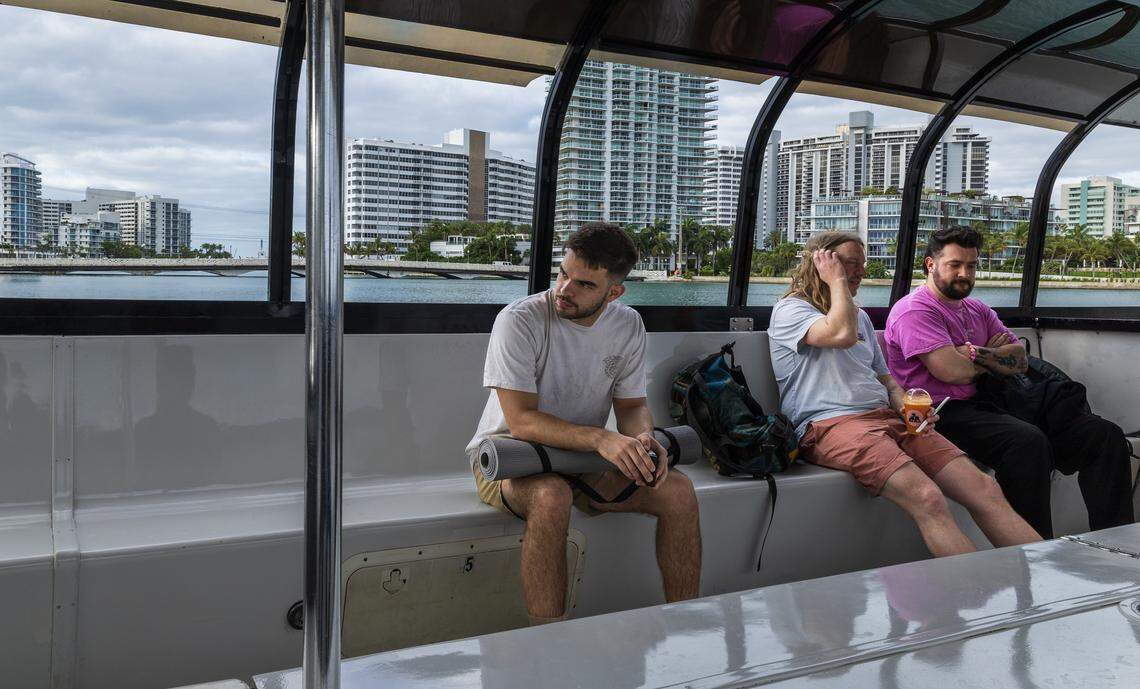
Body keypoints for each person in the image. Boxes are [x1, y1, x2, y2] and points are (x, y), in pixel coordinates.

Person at [465, 222, 701, 625]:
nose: (564, 290)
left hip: (583, 461)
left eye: (583, 285)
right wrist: (601, 439)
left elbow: (630, 407)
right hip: (508, 458)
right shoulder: (519, 320)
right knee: (550, 497)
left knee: (678, 491)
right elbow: (521, 422)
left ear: (614, 292)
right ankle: (550, 639)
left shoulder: (627, 325)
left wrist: (643, 437)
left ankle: (685, 622)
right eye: (562, 273)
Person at [769, 231, 1040, 557]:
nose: (859, 272)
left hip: (886, 417)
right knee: (927, 497)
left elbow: (888, 381)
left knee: (985, 488)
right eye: (849, 263)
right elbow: (839, 333)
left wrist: (907, 407)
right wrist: (837, 280)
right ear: (822, 264)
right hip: (831, 425)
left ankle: (1043, 579)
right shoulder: (790, 311)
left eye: (861, 264)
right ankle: (975, 592)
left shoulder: (860, 318)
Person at [884, 225, 1135, 538]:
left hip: (994, 401)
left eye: (972, 265)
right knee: (1026, 442)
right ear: (930, 264)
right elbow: (950, 371)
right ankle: (1034, 551)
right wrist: (993, 357)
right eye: (955, 265)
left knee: (1104, 436)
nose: (964, 273)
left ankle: (1117, 542)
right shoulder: (914, 310)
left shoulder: (977, 309)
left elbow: (1019, 360)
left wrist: (974, 354)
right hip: (942, 413)